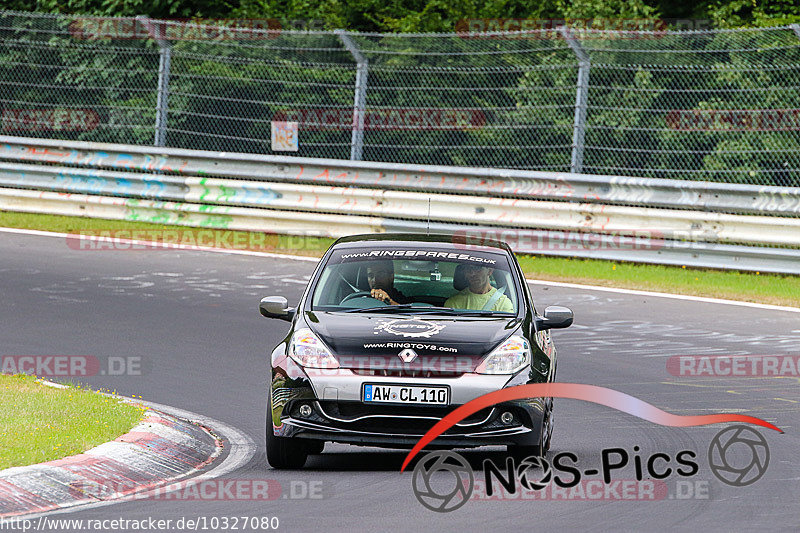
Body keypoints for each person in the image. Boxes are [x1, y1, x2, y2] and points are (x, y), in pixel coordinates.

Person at [445, 264, 513, 312]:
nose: (472, 274)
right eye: (468, 270)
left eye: (477, 268)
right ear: (465, 274)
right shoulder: (453, 303)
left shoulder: (503, 302)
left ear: (490, 271)